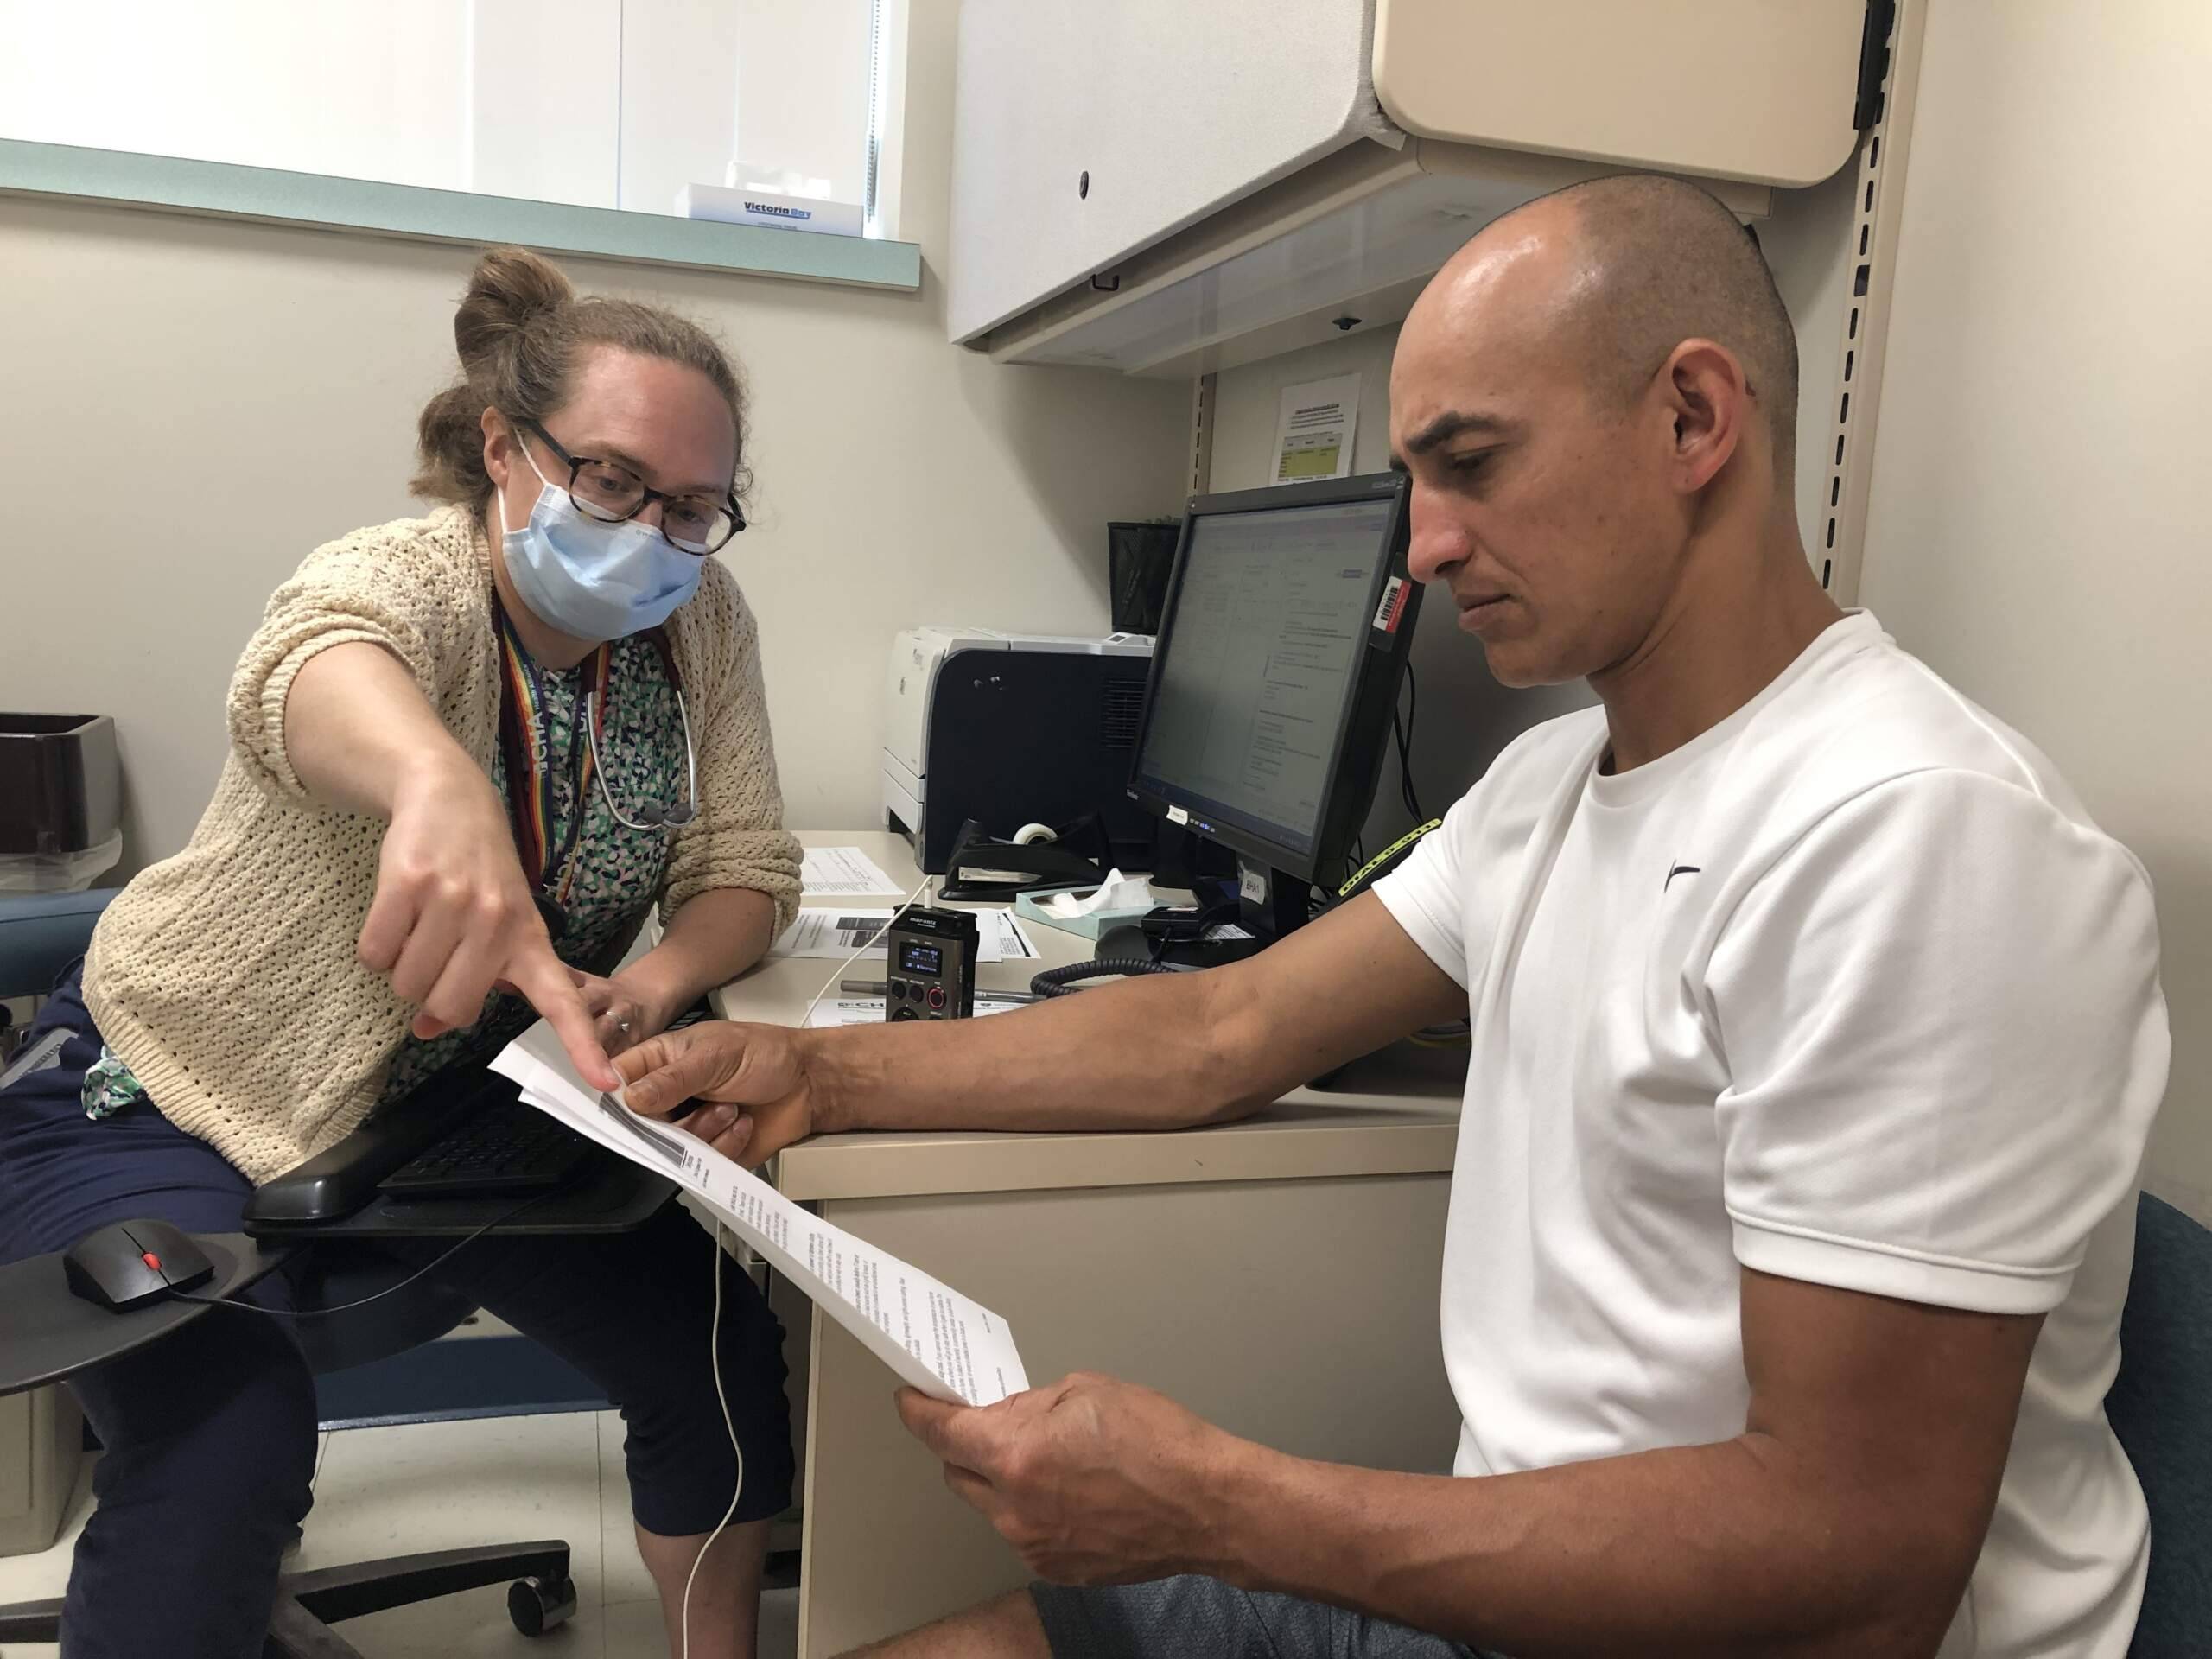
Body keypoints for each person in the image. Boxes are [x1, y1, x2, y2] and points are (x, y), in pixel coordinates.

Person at [616, 176, 2170, 1659]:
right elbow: (1221, 1028)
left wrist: (1218, 1508)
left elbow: (1855, 1573)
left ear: (1693, 418)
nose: (1420, 547)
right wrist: (824, 1081)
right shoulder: (1556, 784)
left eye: (1471, 464)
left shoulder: (1920, 843)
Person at [0, 246, 801, 1659]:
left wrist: (652, 986)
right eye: (610, 480)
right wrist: (438, 782)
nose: (652, 532)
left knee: (721, 1359)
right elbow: (313, 662)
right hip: (155, 1093)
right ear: (505, 449)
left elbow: (745, 869)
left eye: (692, 507)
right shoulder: (410, 578)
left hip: (446, 1115)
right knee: (224, 1439)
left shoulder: (698, 628)